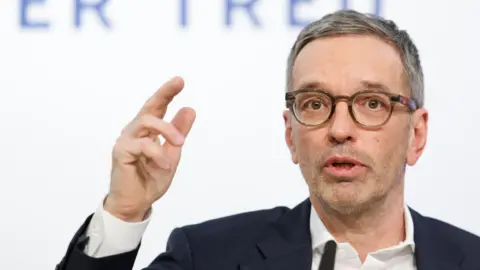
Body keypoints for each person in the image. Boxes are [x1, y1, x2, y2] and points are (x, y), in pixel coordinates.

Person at [56, 9, 480, 270]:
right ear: (291, 136)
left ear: (416, 134)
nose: (339, 128)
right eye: (315, 104)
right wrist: (125, 213)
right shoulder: (207, 257)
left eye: (371, 103)